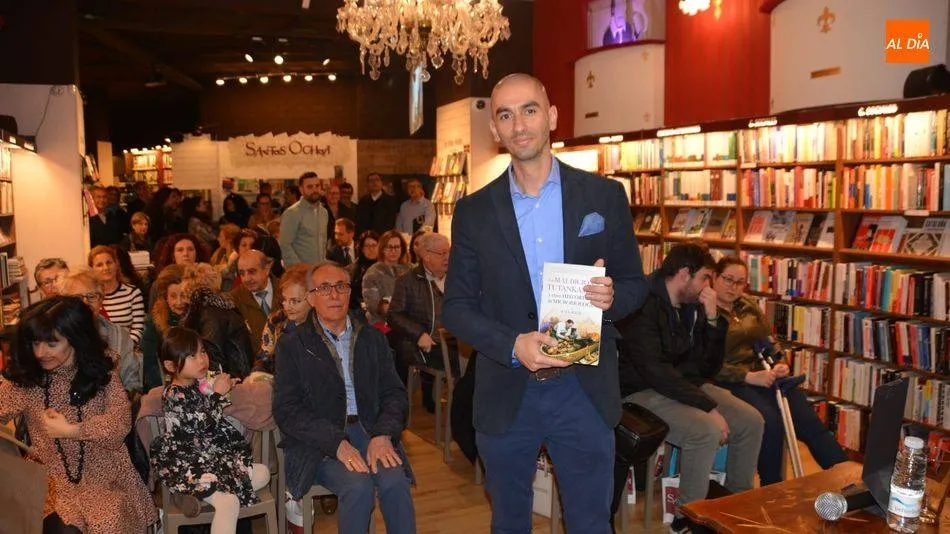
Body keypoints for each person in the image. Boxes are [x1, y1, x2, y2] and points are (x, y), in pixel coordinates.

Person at [441, 73, 647, 534]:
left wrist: (611, 298)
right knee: (510, 522)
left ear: (551, 116)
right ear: (494, 128)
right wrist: (513, 344)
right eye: (505, 115)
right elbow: (454, 307)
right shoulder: (473, 212)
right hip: (507, 388)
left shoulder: (603, 196)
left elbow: (635, 284)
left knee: (591, 522)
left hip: (583, 389)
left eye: (529, 110)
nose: (519, 125)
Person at [617, 243, 764, 532]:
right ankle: (688, 519)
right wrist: (707, 407)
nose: (708, 286)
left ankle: (734, 506)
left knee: (751, 421)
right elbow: (655, 372)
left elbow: (706, 369)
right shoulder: (643, 302)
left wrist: (712, 319)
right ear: (685, 274)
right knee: (705, 430)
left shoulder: (689, 305)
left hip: (680, 385)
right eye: (705, 277)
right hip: (641, 390)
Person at [273, 261, 416, 534]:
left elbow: (394, 393)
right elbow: (287, 409)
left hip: (370, 430)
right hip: (319, 442)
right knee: (358, 486)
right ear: (311, 298)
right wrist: (335, 442)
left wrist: (384, 433)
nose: (334, 294)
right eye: (324, 288)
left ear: (350, 293)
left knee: (395, 483)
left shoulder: (372, 337)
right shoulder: (293, 345)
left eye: (341, 286)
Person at [0, 296, 156, 532]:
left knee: (108, 523)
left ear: (75, 339)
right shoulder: (28, 378)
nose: (40, 352)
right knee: (61, 528)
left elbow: (119, 425)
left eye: (52, 344)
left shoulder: (102, 372)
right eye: (35, 343)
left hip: (104, 477)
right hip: (50, 479)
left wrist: (71, 431)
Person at [711, 256, 846, 485]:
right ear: (714, 277)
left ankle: (847, 477)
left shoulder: (747, 305)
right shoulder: (706, 310)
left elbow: (768, 339)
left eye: (740, 282)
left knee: (807, 419)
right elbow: (707, 363)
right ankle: (771, 486)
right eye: (728, 279)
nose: (733, 287)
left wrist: (779, 362)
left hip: (763, 374)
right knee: (770, 421)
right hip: (729, 379)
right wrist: (748, 376)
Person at [149, 326, 271, 531]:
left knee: (263, 473)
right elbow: (200, 427)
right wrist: (217, 395)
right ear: (170, 365)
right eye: (191, 356)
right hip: (190, 462)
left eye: (202, 352)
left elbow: (211, 406)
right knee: (229, 502)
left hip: (214, 460)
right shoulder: (173, 394)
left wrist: (224, 386)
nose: (201, 359)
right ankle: (202, 493)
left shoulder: (199, 385)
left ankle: (196, 498)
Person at [389, 232, 455, 409]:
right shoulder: (407, 282)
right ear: (426, 255)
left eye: (449, 252)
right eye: (442, 253)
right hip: (424, 343)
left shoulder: (457, 279)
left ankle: (463, 411)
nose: (447, 257)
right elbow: (394, 315)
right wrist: (419, 334)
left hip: (455, 341)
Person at [88, 245, 146, 346]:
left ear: (116, 264)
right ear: (92, 269)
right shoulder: (90, 297)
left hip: (128, 350)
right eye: (99, 265)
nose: (106, 268)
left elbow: (138, 328)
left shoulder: (132, 292)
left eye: (109, 262)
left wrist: (123, 347)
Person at [230, 250, 278, 355]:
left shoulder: (285, 290)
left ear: (267, 269)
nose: (246, 279)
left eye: (252, 272)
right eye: (242, 273)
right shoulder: (234, 299)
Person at [361, 230, 411, 328]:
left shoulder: (409, 270)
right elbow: (374, 307)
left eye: (397, 247)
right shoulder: (373, 273)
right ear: (382, 249)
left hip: (406, 322)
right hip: (380, 324)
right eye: (389, 247)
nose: (393, 251)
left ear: (402, 249)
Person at [279, 171, 330, 266]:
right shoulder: (292, 213)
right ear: (301, 190)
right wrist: (299, 269)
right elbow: (284, 245)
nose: (315, 190)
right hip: (299, 273)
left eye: (317, 186)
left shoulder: (324, 213)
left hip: (318, 272)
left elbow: (323, 244)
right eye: (310, 187)